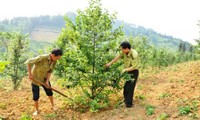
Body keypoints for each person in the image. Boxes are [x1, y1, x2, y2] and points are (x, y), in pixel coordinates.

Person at [25, 49, 63, 115]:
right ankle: (37, 110)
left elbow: (50, 71)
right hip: (35, 78)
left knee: (49, 92)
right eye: (57, 58)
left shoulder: (54, 61)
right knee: (36, 96)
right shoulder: (42, 57)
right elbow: (29, 62)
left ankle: (53, 106)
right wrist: (30, 74)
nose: (57, 59)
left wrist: (47, 81)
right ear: (53, 55)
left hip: (44, 79)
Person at [105, 41, 139, 108]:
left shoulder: (134, 54)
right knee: (126, 87)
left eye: (122, 49)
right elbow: (117, 57)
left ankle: (129, 104)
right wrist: (109, 63)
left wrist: (125, 70)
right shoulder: (124, 52)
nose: (121, 50)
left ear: (126, 49)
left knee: (130, 88)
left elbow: (134, 66)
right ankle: (126, 100)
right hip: (127, 71)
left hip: (134, 71)